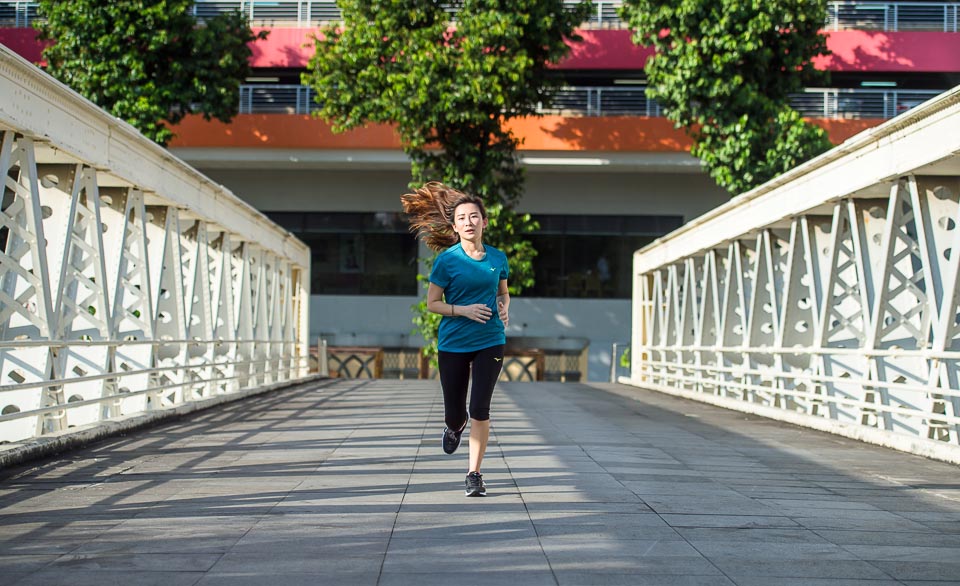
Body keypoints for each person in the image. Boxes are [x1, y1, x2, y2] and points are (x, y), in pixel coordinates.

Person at [401, 182, 510, 497]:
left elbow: (503, 292)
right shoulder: (447, 260)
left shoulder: (498, 258)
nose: (468, 222)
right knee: (456, 411)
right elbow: (432, 303)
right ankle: (454, 426)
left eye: (474, 216)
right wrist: (463, 310)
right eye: (462, 218)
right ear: (454, 227)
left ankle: (474, 473)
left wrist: (504, 307)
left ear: (484, 221)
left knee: (480, 408)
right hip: (453, 343)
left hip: (491, 338)